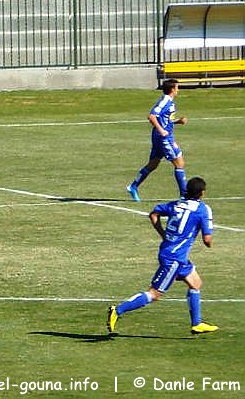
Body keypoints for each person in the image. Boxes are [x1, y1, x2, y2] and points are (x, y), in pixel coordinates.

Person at [108, 177, 218, 335]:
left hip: (172, 253)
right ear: (202, 193)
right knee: (154, 294)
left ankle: (197, 323)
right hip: (174, 259)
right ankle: (117, 310)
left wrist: (163, 234)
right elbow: (207, 240)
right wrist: (209, 242)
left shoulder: (176, 204)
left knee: (195, 283)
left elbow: (153, 214)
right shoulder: (203, 210)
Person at [126, 79, 188, 202]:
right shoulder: (165, 100)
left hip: (160, 136)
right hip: (164, 138)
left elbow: (165, 120)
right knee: (179, 163)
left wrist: (178, 121)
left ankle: (133, 186)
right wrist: (161, 131)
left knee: (153, 164)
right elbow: (152, 116)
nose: (178, 90)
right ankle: (184, 196)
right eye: (177, 87)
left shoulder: (169, 102)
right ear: (172, 89)